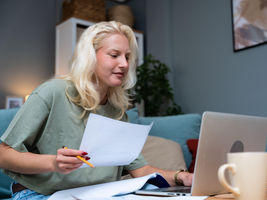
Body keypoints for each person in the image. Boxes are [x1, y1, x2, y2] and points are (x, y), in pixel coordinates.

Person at [0, 21, 193, 200]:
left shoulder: (118, 112)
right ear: (90, 56)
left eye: (127, 56)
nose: (125, 64)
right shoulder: (53, 92)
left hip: (93, 194)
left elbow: (141, 170)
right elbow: (3, 154)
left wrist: (181, 177)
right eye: (114, 55)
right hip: (38, 193)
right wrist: (53, 163)